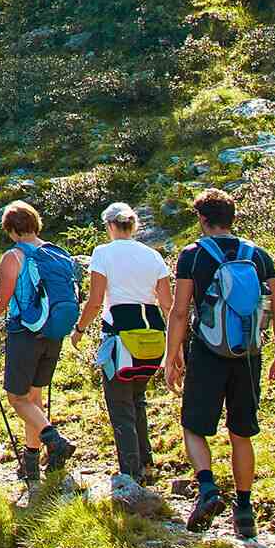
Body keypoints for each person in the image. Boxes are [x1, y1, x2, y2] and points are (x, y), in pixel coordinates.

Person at [165, 189, 275, 539]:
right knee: (241, 433)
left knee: (194, 425)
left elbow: (179, 311)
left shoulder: (192, 255)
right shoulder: (258, 255)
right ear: (232, 218)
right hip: (248, 353)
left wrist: (172, 355)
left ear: (203, 219)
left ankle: (207, 489)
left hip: (206, 351)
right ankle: (245, 510)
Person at [0, 201, 77, 481]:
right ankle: (30, 464)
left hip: (25, 332)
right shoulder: (56, 252)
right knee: (34, 398)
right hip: (54, 331)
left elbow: (1, 302)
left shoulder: (14, 257)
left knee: (17, 399)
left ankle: (55, 441)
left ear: (11, 230)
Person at [71, 203, 172, 485]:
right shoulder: (153, 255)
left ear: (110, 225)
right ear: (134, 225)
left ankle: (130, 471)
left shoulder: (103, 254)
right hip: (153, 338)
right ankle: (146, 464)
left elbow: (95, 301)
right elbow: (167, 304)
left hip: (120, 338)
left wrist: (79, 330)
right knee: (137, 399)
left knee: (119, 404)